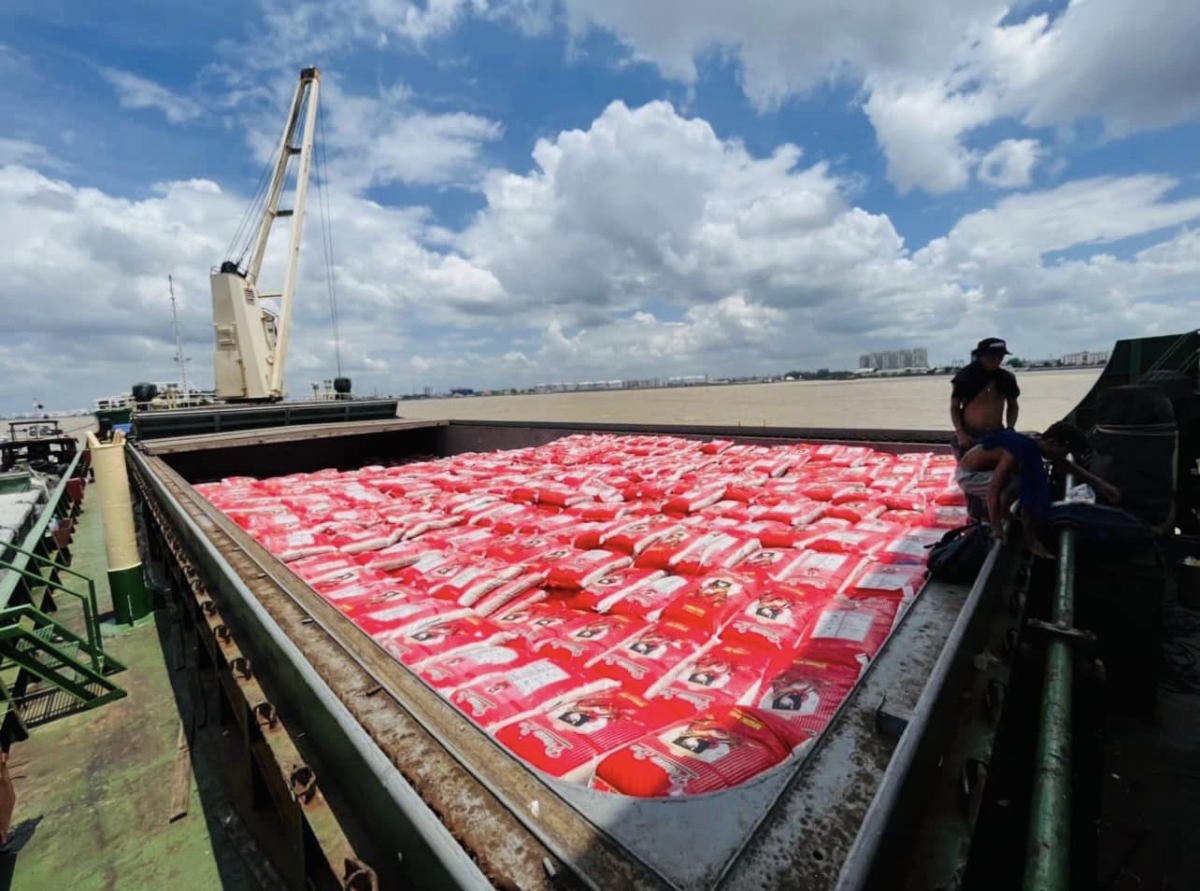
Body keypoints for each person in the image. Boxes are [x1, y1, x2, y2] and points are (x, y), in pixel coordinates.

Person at [956, 421, 1120, 558]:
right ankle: (1000, 517)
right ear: (1052, 443)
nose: (1064, 457)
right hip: (969, 475)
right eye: (1065, 452)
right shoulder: (1014, 454)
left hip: (988, 471)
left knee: (1023, 479)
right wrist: (998, 527)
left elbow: (1063, 463)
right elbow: (994, 489)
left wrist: (1099, 483)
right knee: (1019, 482)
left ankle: (1005, 515)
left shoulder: (1038, 442)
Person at [950, 338, 1020, 459]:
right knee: (970, 471)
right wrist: (960, 433)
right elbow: (955, 407)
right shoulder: (964, 377)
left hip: (998, 432)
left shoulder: (1006, 378)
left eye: (1000, 356)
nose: (997, 360)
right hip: (971, 434)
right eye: (993, 356)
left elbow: (1012, 405)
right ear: (981, 356)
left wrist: (1010, 428)